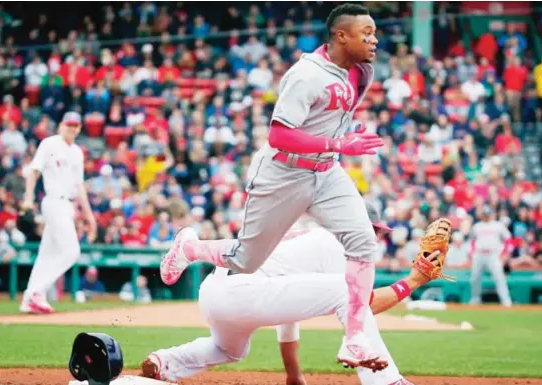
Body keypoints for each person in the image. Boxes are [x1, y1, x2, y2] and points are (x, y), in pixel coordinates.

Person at [161, 4, 386, 369]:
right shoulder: (306, 75)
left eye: (374, 32)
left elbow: (329, 120)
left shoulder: (360, 71)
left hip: (326, 172)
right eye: (367, 32)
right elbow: (279, 135)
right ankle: (190, 247)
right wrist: (336, 143)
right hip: (283, 175)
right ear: (341, 35)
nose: (374, 38)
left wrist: (342, 136)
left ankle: (355, 340)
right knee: (245, 261)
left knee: (363, 242)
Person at [144, 203, 432, 385]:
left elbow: (288, 315)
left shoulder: (309, 241)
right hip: (242, 291)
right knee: (348, 292)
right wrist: (413, 281)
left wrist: (293, 374)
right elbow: (363, 304)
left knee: (228, 349)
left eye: (377, 232)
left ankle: (166, 362)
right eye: (371, 230)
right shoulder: (334, 243)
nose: (374, 237)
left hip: (216, 293)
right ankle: (386, 381)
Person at [19, 111, 96, 314]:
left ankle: (29, 299)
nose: (71, 128)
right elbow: (33, 171)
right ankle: (37, 291)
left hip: (67, 204)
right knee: (72, 252)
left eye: (75, 125)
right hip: (54, 201)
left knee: (46, 254)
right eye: (68, 124)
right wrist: (28, 198)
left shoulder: (77, 152)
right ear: (61, 125)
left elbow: (79, 187)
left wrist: (89, 217)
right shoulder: (49, 144)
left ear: (79, 128)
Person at [468, 207, 513, 306]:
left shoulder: (498, 226)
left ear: (492, 214)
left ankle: (506, 300)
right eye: (485, 214)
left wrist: (505, 253)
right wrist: (471, 253)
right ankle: (475, 299)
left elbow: (508, 239)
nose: (486, 216)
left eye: (488, 214)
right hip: (479, 254)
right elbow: (472, 240)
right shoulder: (477, 226)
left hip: (493, 254)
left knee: (499, 277)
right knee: (475, 277)